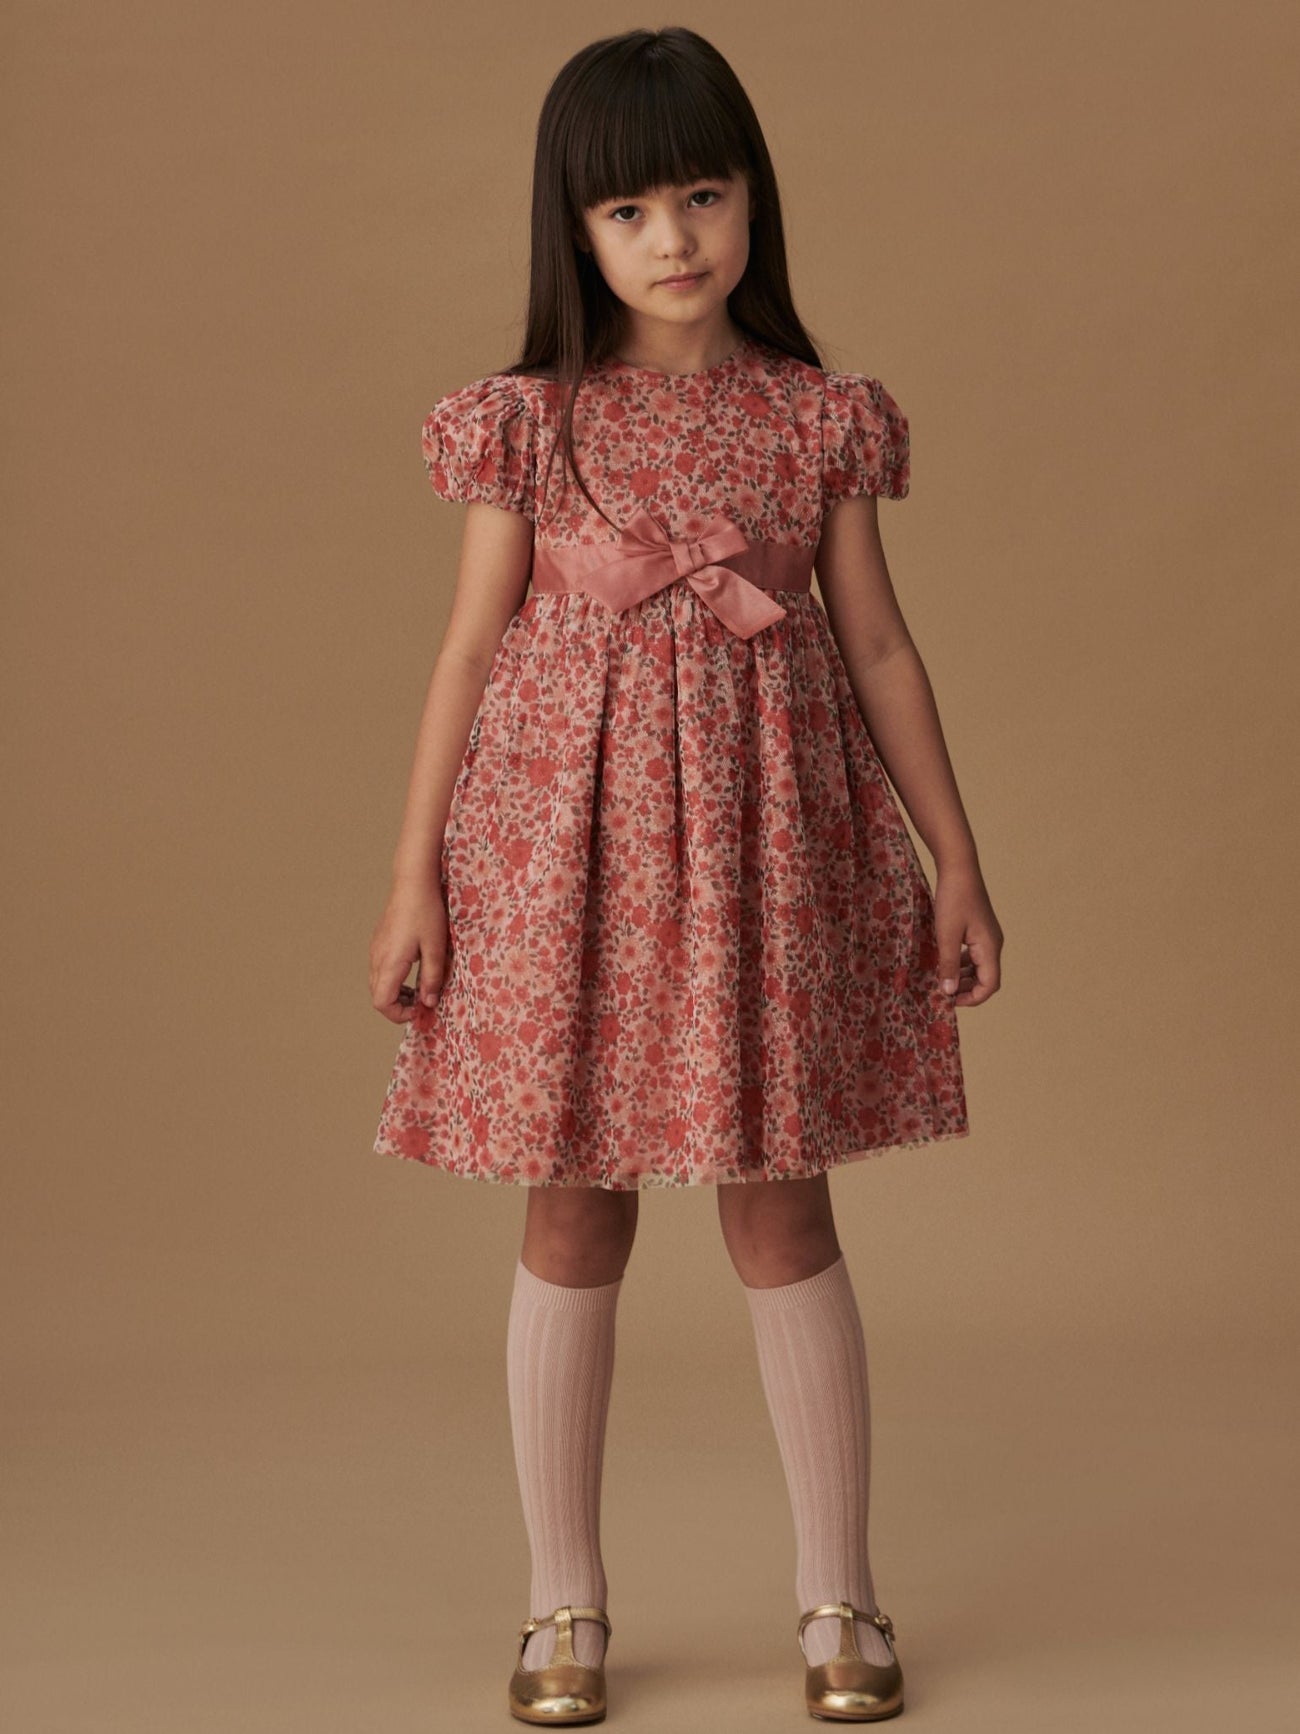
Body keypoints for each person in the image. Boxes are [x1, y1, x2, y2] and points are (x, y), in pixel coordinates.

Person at [368, 24, 1003, 1726]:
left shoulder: (816, 420)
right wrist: (416, 872)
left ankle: (840, 1592)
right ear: (576, 233)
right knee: (572, 1203)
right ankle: (558, 1603)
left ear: (751, 203)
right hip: (559, 863)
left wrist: (957, 857)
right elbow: (462, 652)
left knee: (784, 1201)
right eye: (631, 210)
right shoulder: (532, 427)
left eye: (704, 195)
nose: (675, 239)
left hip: (763, 866)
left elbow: (875, 647)